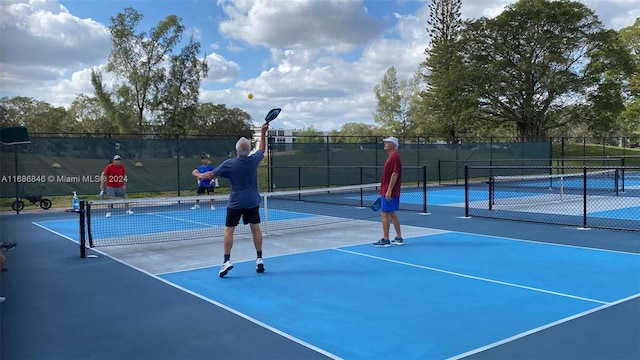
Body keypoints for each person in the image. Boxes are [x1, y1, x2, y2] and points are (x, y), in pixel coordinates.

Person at [195, 123, 269, 277]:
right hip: (252, 202)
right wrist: (263, 132)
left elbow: (209, 175)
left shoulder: (229, 164)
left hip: (235, 203)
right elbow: (262, 148)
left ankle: (226, 261)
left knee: (229, 231)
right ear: (249, 150)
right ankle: (259, 259)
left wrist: (197, 174)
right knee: (255, 229)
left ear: (237, 150)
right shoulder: (253, 160)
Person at [372, 136, 404, 247]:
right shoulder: (392, 156)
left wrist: (389, 191)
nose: (385, 143)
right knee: (392, 213)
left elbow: (395, 174)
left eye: (387, 142)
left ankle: (386, 239)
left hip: (389, 191)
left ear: (393, 145)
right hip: (388, 190)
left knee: (384, 214)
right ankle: (399, 237)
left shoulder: (394, 156)